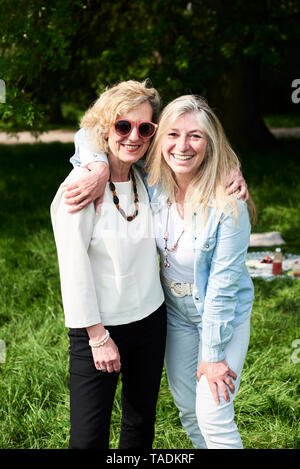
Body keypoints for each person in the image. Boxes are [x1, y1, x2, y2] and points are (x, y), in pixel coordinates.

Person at [63, 85, 253, 449]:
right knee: (188, 410)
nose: (182, 146)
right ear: (161, 139)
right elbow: (88, 132)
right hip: (177, 317)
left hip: (221, 315)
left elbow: (223, 290)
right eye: (173, 134)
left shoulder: (228, 204)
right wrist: (99, 166)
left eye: (195, 136)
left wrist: (212, 358)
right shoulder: (153, 183)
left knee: (212, 414)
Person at [50, 79, 167, 449]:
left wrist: (233, 174)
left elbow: (199, 156)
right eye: (122, 126)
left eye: (144, 128)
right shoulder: (80, 187)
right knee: (88, 439)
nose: (134, 136)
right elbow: (73, 269)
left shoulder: (147, 178)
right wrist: (99, 338)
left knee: (139, 425)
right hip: (98, 330)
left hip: (151, 319)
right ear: (105, 128)